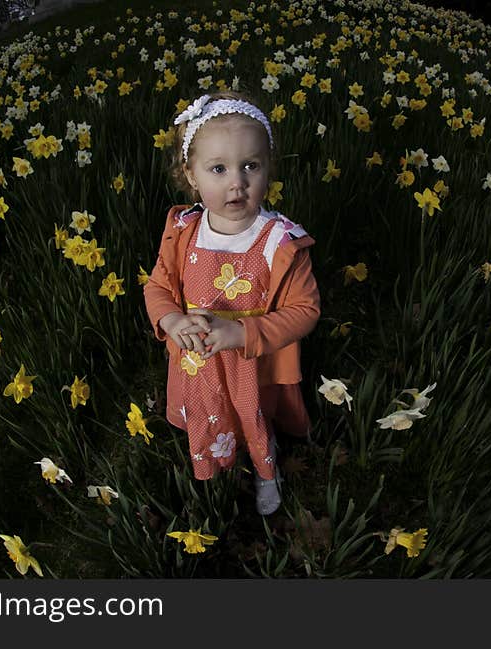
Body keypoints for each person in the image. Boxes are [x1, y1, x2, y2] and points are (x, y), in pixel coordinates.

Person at [143, 91, 320, 515]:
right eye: (218, 168)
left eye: (251, 166)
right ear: (191, 175)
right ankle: (217, 466)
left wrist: (240, 332)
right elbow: (158, 287)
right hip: (198, 361)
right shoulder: (183, 230)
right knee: (210, 415)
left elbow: (305, 310)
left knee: (254, 418)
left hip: (250, 361)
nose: (236, 182)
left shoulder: (280, 242)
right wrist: (170, 321)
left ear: (268, 169)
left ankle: (264, 469)